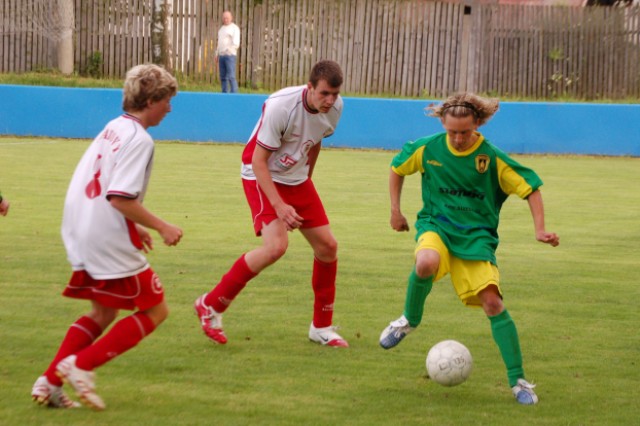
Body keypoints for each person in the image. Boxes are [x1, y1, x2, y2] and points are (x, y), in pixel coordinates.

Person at [378, 93, 559, 405]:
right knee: (425, 262)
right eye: (452, 132)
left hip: (476, 239)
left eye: (465, 132)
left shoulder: (492, 158)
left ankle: (518, 382)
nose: (459, 139)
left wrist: (540, 229)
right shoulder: (428, 148)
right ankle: (408, 320)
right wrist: (395, 211)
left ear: (478, 123)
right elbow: (396, 167)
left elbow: (531, 187)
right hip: (437, 226)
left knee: (493, 303)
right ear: (443, 125)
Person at [31, 64, 183, 411]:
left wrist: (134, 226)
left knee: (103, 312)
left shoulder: (113, 127)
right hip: (103, 234)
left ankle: (50, 382)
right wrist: (162, 226)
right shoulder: (140, 139)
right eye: (167, 101)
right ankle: (81, 367)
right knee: (155, 309)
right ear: (151, 100)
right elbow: (119, 197)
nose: (170, 108)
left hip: (81, 225)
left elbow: (106, 189)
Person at [194, 60, 349, 348]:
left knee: (328, 247)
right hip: (259, 173)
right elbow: (258, 160)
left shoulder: (336, 108)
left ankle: (321, 327)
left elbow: (315, 142)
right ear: (310, 87)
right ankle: (211, 305)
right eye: (324, 93)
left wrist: (306, 180)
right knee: (276, 246)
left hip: (295, 178)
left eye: (335, 94)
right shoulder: (282, 106)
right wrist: (280, 206)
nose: (330, 101)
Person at [216, 10, 240, 93]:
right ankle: (224, 93)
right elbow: (219, 42)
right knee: (223, 77)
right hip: (221, 56)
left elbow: (236, 43)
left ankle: (234, 94)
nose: (225, 19)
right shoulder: (221, 29)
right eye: (224, 18)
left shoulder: (234, 28)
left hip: (230, 56)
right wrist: (217, 54)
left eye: (227, 18)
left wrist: (229, 50)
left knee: (231, 76)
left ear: (231, 18)